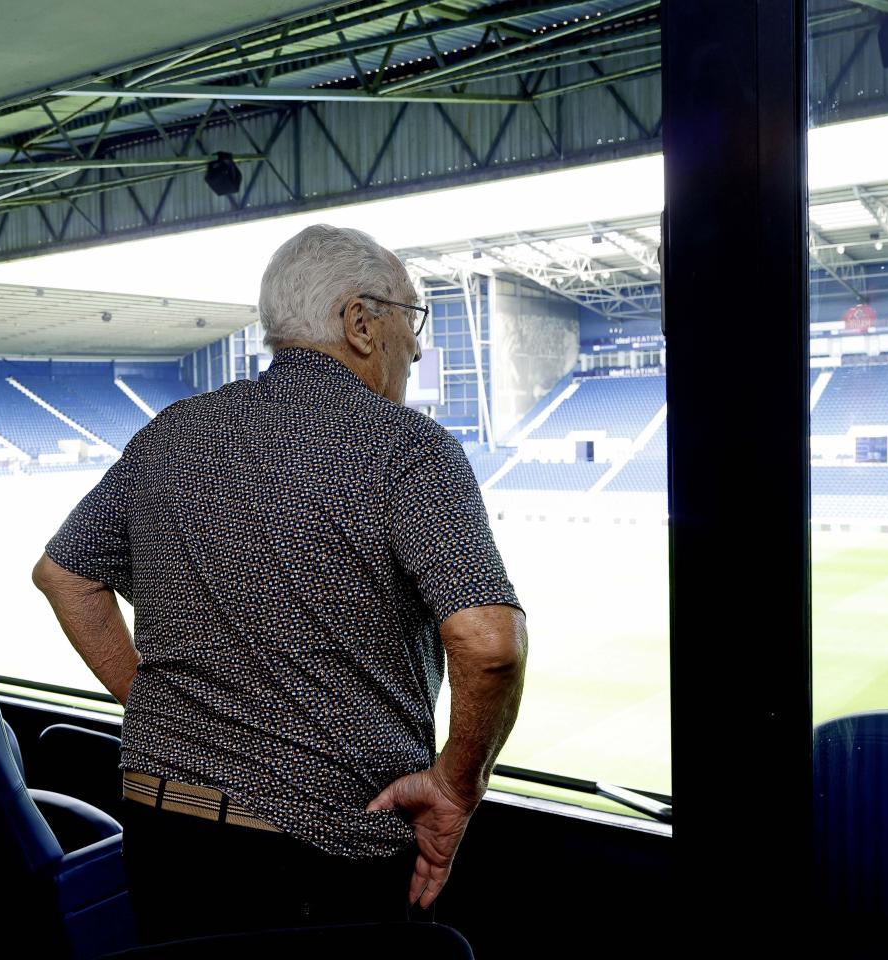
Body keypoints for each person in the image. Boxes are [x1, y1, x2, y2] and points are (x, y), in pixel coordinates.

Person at [32, 223, 527, 945]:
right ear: (360, 322)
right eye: (410, 318)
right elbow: (490, 644)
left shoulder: (173, 430)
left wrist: (164, 706)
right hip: (315, 852)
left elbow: (63, 575)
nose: (417, 346)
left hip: (158, 827)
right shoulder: (408, 447)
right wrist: (457, 785)